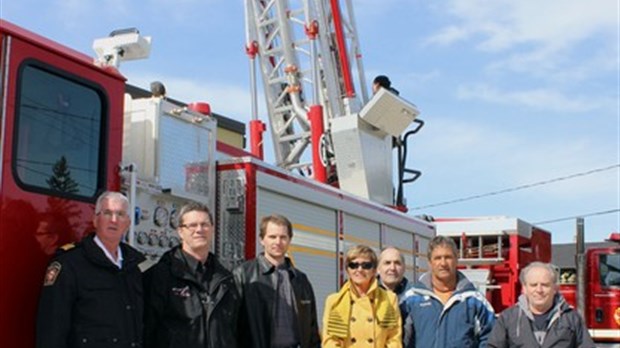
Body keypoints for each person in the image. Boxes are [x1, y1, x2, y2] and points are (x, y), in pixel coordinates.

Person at [36, 191, 145, 348]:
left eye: (120, 214)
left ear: (127, 223)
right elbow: (52, 329)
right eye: (107, 213)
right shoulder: (70, 264)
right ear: (95, 220)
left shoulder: (133, 267)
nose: (114, 220)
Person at [143, 202, 240, 348]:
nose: (199, 230)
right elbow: (146, 330)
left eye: (205, 224)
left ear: (213, 229)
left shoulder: (226, 279)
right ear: (180, 232)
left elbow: (234, 330)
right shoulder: (161, 275)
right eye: (192, 225)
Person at [233, 214, 320, 348]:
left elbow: (312, 329)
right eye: (272, 237)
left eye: (283, 237)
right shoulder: (244, 275)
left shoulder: (301, 280)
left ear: (290, 240)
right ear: (261, 240)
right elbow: (231, 325)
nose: (278, 242)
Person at [401, 236, 495, 348]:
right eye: (437, 258)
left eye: (448, 257)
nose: (443, 263)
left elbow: (491, 338)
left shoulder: (474, 300)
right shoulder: (412, 299)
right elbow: (397, 338)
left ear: (456, 260)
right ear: (429, 263)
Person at [487, 262, 595, 348]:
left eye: (545, 285)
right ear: (524, 289)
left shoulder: (571, 318)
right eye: (533, 285)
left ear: (555, 288)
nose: (539, 290)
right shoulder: (508, 318)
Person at [322, 244, 401, 347]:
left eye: (366, 266)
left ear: (374, 270)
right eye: (353, 265)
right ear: (347, 270)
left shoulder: (390, 299)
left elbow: (394, 339)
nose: (359, 270)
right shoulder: (333, 301)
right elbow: (330, 341)